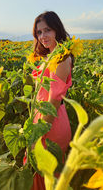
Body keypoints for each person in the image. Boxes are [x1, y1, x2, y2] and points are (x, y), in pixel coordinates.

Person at [31, 11, 73, 190]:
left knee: (49, 176)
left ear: (57, 30)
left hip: (51, 123)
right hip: (41, 118)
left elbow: (54, 100)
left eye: (47, 30)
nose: (43, 36)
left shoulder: (62, 58)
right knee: (39, 172)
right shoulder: (49, 56)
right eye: (39, 32)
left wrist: (37, 134)